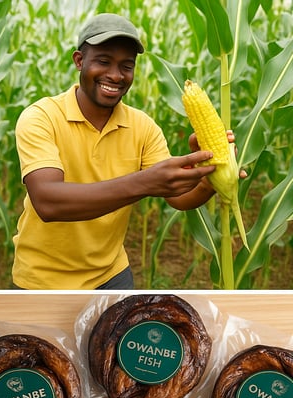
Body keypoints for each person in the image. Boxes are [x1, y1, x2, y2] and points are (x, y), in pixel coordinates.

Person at [12, 13, 233, 290]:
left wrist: (211, 175)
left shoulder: (142, 126)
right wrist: (146, 182)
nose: (115, 75)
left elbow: (179, 197)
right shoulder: (41, 117)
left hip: (112, 276)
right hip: (41, 280)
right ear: (79, 60)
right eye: (103, 62)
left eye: (126, 66)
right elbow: (48, 201)